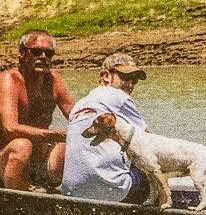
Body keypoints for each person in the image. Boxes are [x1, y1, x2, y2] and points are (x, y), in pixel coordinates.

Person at [0, 28, 76, 189]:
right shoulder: (9, 80)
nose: (43, 57)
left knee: (70, 149)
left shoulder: (53, 81)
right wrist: (56, 135)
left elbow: (78, 116)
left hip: (39, 162)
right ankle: (18, 206)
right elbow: (10, 129)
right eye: (37, 52)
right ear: (22, 54)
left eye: (49, 53)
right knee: (22, 146)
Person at [60, 52, 153, 204]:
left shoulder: (79, 105)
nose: (130, 85)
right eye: (125, 78)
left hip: (72, 191)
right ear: (106, 76)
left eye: (134, 81)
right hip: (113, 191)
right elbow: (151, 141)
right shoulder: (118, 96)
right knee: (152, 168)